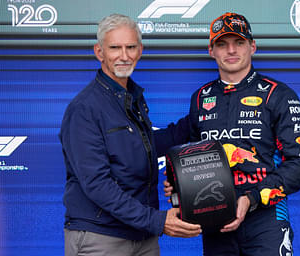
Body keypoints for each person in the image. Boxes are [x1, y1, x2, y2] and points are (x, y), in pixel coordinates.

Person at [163, 12, 300, 256]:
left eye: (239, 42)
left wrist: (251, 198)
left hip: (266, 217)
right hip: (216, 221)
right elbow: (192, 160)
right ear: (211, 51)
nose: (231, 50)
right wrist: (180, 185)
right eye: (222, 44)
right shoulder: (201, 98)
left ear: (252, 46)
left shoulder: (278, 94)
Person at [59, 14, 201, 256]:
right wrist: (157, 221)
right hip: (102, 236)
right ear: (99, 51)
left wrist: (199, 119)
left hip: (141, 235)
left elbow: (140, 147)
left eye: (130, 47)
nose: (124, 55)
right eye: (115, 48)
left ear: (140, 50)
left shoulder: (131, 98)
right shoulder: (85, 108)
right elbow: (97, 184)